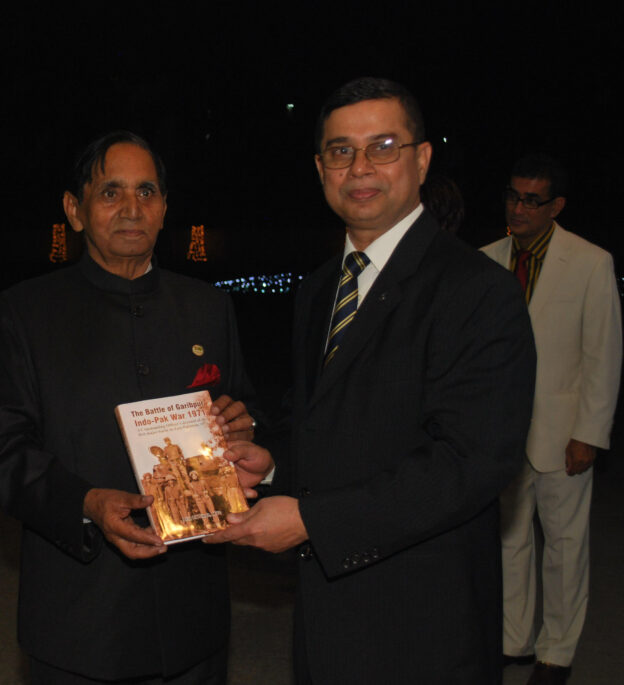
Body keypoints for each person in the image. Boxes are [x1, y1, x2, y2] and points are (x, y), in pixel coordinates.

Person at [206, 77, 536, 683]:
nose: (360, 166)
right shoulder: (316, 289)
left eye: (383, 145)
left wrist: (312, 522)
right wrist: (272, 461)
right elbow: (322, 421)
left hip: (424, 617)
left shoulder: (477, 290)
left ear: (422, 159)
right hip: (328, 614)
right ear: (319, 166)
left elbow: (471, 462)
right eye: (340, 150)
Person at [0, 130, 269, 683]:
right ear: (75, 210)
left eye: (147, 192)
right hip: (81, 616)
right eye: (111, 192)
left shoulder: (207, 306)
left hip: (192, 616)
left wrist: (244, 424)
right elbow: (2, 452)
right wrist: (85, 502)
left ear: (163, 210)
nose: (131, 209)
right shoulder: (28, 312)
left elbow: (245, 405)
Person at [481, 154, 621, 684]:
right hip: (500, 433)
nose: (518, 208)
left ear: (555, 206)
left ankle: (555, 652)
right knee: (509, 541)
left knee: (563, 545)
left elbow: (602, 355)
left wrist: (589, 433)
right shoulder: (487, 258)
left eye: (530, 199)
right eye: (513, 196)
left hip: (562, 433)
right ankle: (513, 639)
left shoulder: (589, 262)